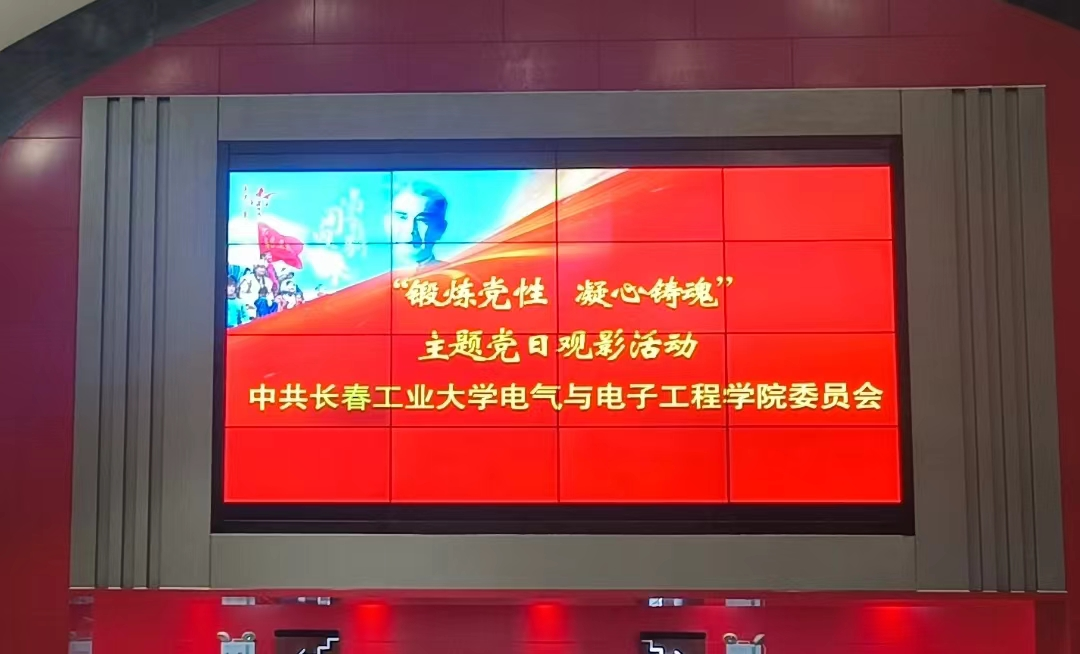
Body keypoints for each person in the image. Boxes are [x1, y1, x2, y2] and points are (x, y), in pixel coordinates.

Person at [389, 181, 448, 269]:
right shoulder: (368, 273)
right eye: (402, 217)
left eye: (422, 220)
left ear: (441, 229)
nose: (410, 229)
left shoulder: (456, 274)